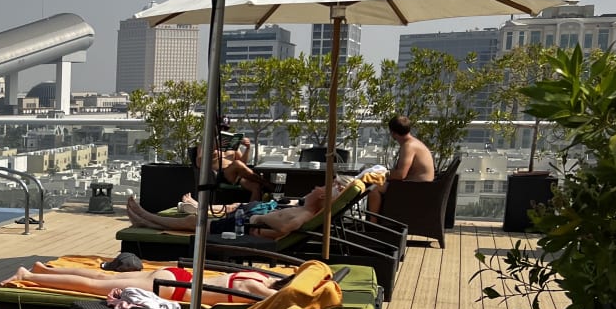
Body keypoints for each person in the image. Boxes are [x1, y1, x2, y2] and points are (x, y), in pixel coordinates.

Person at [125, 184, 330, 240]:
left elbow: (284, 229)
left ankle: (146, 217)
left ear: (321, 197)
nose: (314, 188)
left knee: (193, 221)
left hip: (246, 224)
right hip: (248, 220)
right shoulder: (304, 207)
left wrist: (259, 221)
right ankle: (146, 220)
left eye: (318, 189)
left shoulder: (304, 214)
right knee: (195, 220)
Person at [14, 262, 279, 302]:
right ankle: (29, 276)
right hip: (173, 290)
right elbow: (283, 299)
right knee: (95, 287)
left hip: (177, 275)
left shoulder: (260, 276)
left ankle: (43, 270)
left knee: (104, 277)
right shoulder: (256, 288)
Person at [369, 115, 434, 214]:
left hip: (416, 189)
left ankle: (372, 222)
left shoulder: (408, 146)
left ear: (393, 133)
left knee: (373, 188)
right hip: (423, 188)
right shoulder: (415, 143)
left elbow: (401, 174)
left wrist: (383, 174)